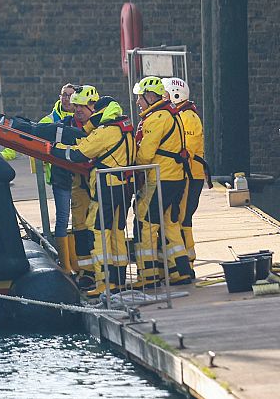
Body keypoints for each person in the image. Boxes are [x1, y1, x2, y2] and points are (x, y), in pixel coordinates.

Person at [52, 91, 136, 297]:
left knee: (99, 233)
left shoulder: (105, 131)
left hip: (105, 188)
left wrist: (54, 149)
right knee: (117, 234)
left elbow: (78, 153)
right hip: (123, 188)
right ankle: (117, 280)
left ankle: (103, 282)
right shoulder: (126, 129)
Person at [132, 76, 194, 287]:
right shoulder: (172, 114)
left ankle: (148, 276)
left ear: (150, 97)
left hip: (161, 178)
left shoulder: (156, 118)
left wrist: (132, 159)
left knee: (145, 223)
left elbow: (145, 155)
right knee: (170, 223)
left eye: (140, 98)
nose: (138, 102)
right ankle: (180, 271)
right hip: (176, 177)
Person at [163, 77, 210, 273]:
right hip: (188, 174)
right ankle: (185, 261)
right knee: (182, 218)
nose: (162, 97)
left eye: (164, 94)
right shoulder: (181, 114)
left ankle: (187, 263)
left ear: (175, 95)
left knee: (183, 218)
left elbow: (186, 150)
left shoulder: (187, 118)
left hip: (191, 175)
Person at [37, 84, 76, 273]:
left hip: (78, 177)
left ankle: (78, 262)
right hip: (59, 177)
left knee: (80, 220)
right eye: (64, 95)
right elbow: (31, 137)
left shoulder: (81, 118)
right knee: (62, 219)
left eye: (70, 95)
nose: (66, 99)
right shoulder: (49, 120)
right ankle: (66, 265)